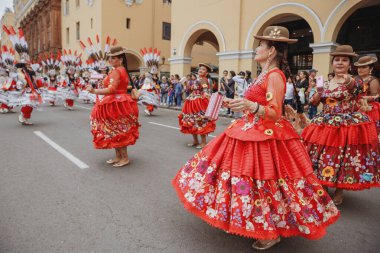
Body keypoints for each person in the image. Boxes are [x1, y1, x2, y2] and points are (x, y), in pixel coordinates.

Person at [173, 26, 339, 251]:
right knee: (248, 181)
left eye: (260, 45)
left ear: (271, 51)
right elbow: (257, 104)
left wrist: (252, 105)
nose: (256, 49)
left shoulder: (275, 75)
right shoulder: (263, 74)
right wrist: (238, 103)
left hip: (266, 136)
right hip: (250, 128)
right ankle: (252, 219)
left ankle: (270, 232)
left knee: (265, 183)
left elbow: (274, 112)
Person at [302, 45, 379, 205]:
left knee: (343, 157)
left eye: (344, 60)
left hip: (346, 125)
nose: (340, 63)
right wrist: (317, 90)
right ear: (332, 63)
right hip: (325, 124)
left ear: (350, 64)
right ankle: (323, 185)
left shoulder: (355, 80)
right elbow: (314, 102)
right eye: (337, 60)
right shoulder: (325, 81)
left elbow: (358, 90)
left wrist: (349, 81)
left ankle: (339, 189)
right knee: (323, 156)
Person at [86, 46, 140, 167]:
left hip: (116, 103)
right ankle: (118, 156)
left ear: (120, 59)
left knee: (118, 130)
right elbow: (120, 86)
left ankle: (124, 158)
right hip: (120, 102)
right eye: (110, 58)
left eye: (113, 58)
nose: (110, 60)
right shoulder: (121, 70)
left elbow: (111, 89)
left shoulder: (117, 71)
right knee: (115, 130)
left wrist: (94, 91)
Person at [178, 63, 216, 148]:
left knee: (200, 121)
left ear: (206, 73)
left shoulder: (203, 79)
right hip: (191, 102)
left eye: (203, 69)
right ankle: (195, 141)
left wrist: (207, 96)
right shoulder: (197, 80)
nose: (200, 70)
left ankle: (203, 143)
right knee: (192, 121)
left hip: (199, 103)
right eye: (200, 69)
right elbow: (190, 89)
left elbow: (206, 90)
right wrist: (185, 83)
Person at [355, 55, 380, 139]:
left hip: (368, 108)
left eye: (363, 67)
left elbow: (375, 96)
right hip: (355, 107)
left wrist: (364, 99)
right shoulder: (355, 79)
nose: (360, 69)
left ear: (371, 69)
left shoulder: (373, 80)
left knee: (367, 135)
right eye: (359, 67)